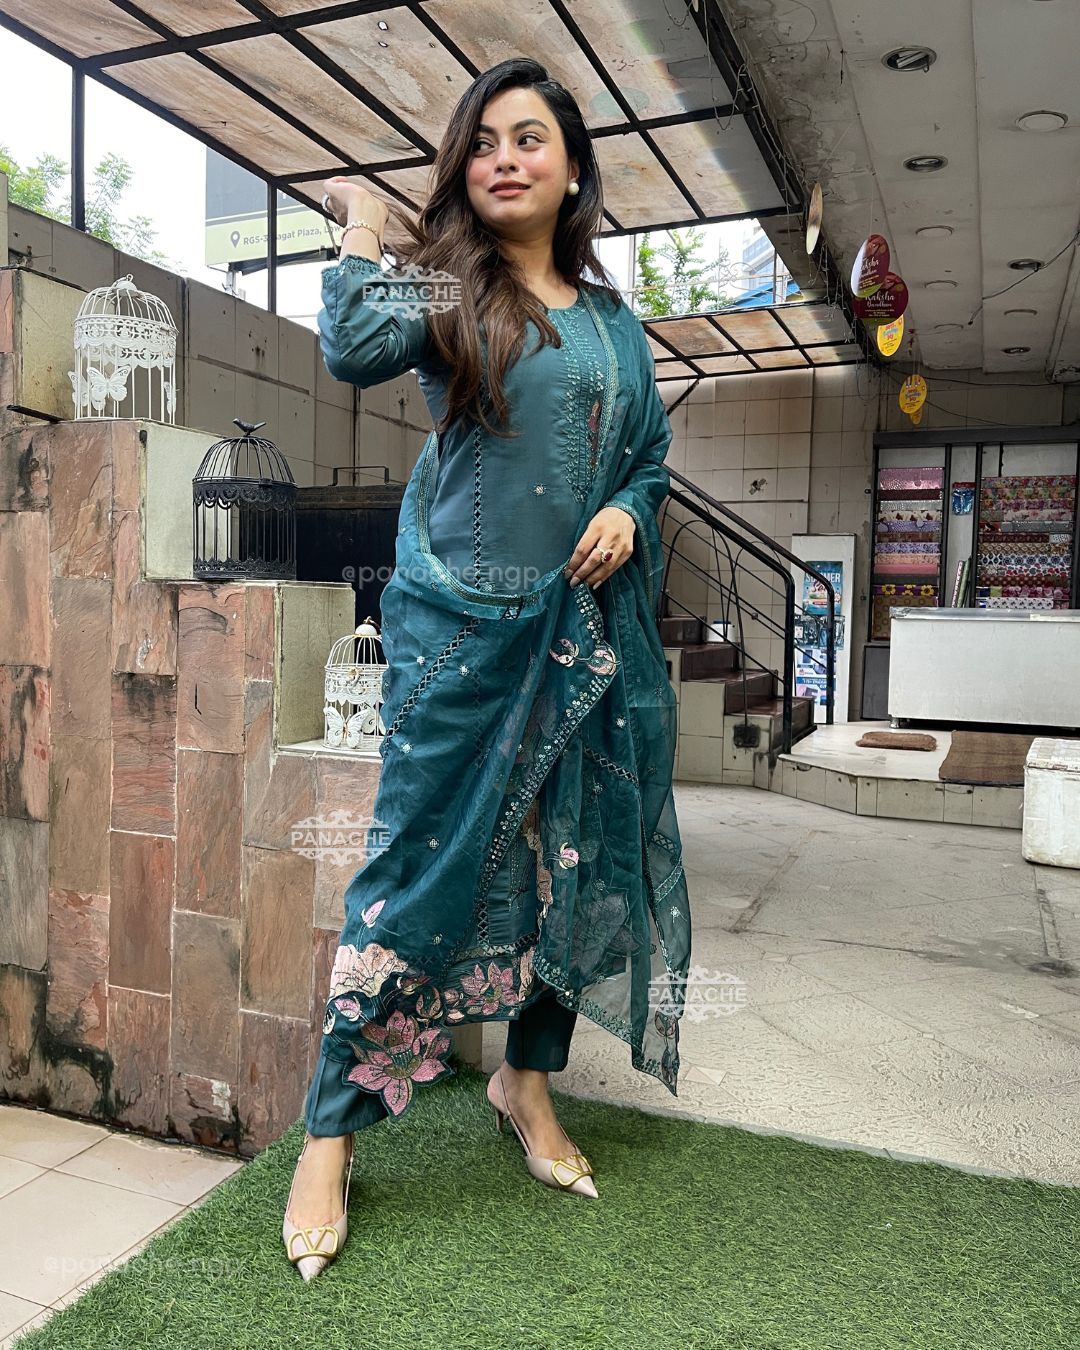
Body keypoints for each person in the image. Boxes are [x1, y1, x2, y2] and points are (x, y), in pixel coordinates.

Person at [282, 56, 692, 1281]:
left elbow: (650, 455)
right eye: (483, 143)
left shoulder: (615, 323)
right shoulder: (447, 286)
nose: (504, 159)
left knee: (580, 865)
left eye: (529, 139)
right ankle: (330, 1132)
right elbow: (352, 342)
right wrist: (364, 226)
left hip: (586, 637)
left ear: (573, 168)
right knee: (413, 871)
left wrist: (628, 508)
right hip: (462, 633)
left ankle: (527, 1078)